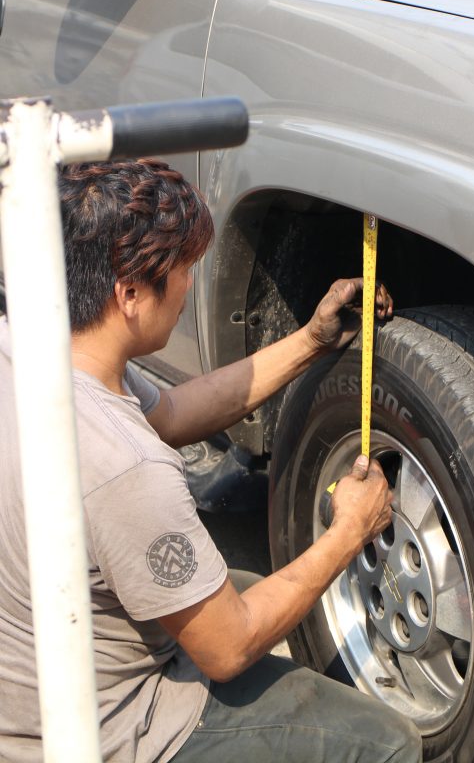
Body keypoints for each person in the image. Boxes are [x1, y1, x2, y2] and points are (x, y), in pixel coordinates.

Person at [0, 158, 422, 763]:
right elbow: (227, 648)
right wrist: (350, 531)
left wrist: (311, 341)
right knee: (388, 744)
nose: (191, 286)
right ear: (129, 294)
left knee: (243, 586)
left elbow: (171, 414)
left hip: (33, 677)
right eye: (184, 272)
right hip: (105, 733)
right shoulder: (126, 469)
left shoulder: (26, 343)